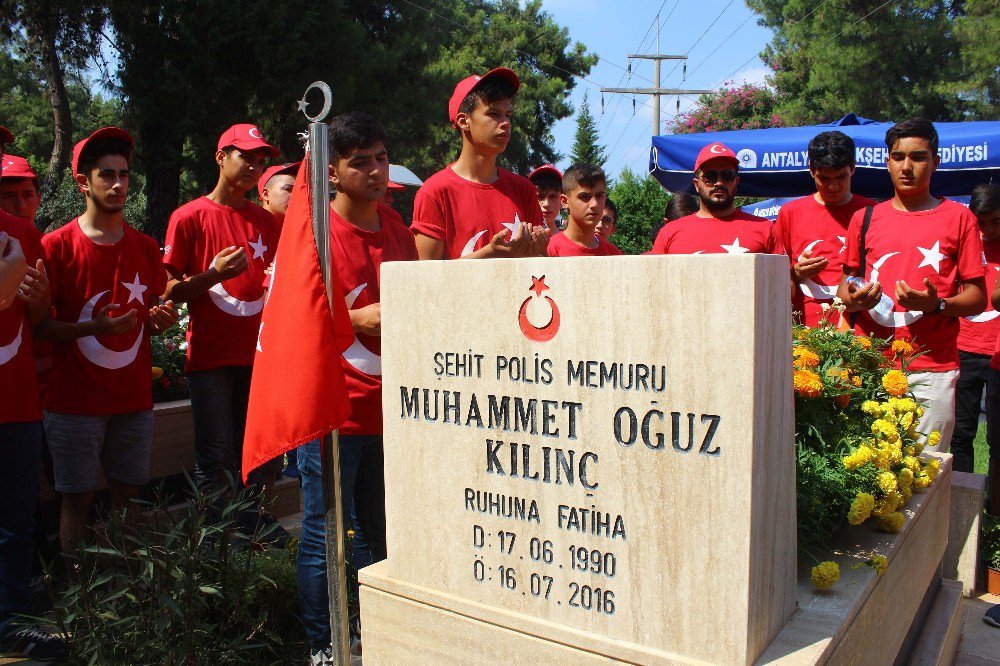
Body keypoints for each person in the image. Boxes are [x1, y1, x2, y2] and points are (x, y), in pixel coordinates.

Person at [296, 112, 418, 664]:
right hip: (333, 412)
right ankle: (323, 644)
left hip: (389, 410)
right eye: (359, 162)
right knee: (326, 535)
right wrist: (353, 321)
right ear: (332, 172)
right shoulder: (313, 231)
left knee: (379, 533)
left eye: (381, 158)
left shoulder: (394, 227)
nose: (374, 171)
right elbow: (294, 321)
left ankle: (376, 635)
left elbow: (415, 302)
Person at [34, 127, 177, 555]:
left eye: (124, 175)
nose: (118, 185)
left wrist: (160, 319)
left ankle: (131, 592)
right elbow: (39, 329)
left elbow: (149, 318)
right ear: (83, 182)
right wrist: (93, 329)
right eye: (106, 175)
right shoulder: (55, 246)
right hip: (73, 402)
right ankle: (80, 604)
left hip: (133, 400)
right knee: (76, 499)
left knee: (129, 497)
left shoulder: (146, 247)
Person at [838, 118, 986, 454]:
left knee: (925, 472)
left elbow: (978, 298)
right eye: (898, 156)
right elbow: (842, 293)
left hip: (931, 369)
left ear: (935, 161)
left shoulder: (959, 218)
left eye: (918, 157)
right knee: (867, 470)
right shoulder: (864, 218)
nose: (907, 166)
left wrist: (938, 305)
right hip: (870, 365)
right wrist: (858, 299)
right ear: (887, 162)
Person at [162, 124, 284, 503]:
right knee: (215, 460)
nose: (253, 166)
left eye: (260, 161)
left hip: (259, 359)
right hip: (211, 361)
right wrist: (215, 274)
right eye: (245, 156)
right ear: (221, 157)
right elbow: (169, 293)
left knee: (259, 454)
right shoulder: (189, 216)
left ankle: (254, 532)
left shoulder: (266, 221)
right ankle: (220, 548)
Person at [0, 125, 68, 662]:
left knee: (15, 521)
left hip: (17, 403)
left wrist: (41, 300)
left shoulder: (21, 236)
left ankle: (12, 624)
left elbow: (35, 321)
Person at [411, 67, 548, 260]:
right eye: (493, 114)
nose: (505, 123)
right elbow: (424, 278)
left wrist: (537, 253)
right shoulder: (434, 192)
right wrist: (489, 255)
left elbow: (541, 272)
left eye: (508, 115)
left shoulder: (523, 189)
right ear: (463, 121)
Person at [775, 131, 876, 326]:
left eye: (840, 177)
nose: (833, 186)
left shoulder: (872, 213)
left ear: (853, 168)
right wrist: (794, 272)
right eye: (824, 179)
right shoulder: (790, 213)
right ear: (811, 170)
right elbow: (774, 275)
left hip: (861, 329)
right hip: (805, 333)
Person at [651, 142, 782, 255]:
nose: (719, 182)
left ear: (736, 182)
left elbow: (783, 281)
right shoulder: (669, 233)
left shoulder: (765, 229)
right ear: (696, 184)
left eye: (727, 175)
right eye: (710, 176)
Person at [546, 164, 622, 257]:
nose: (594, 204)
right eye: (584, 197)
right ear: (565, 201)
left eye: (599, 196)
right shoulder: (549, 251)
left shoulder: (613, 254)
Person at [258, 162, 299, 231]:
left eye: (299, 191)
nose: (296, 195)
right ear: (266, 194)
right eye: (288, 189)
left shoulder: (303, 233)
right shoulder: (248, 229)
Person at [0, 155, 41, 224]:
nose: (21, 206)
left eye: (28, 195)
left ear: (38, 199)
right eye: (9, 196)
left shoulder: (55, 235)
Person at [528, 164, 563, 232]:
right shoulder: (519, 236)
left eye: (553, 196)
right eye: (539, 197)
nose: (546, 204)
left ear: (562, 199)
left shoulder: (571, 239)